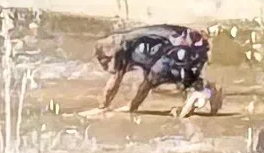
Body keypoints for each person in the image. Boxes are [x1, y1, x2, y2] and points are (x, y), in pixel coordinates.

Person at [92, 23, 220, 117]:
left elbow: (115, 80)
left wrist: (102, 107)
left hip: (181, 45)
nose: (106, 66)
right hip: (193, 42)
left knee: (153, 79)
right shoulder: (135, 44)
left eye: (105, 61)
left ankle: (201, 93)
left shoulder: (122, 46)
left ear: (109, 52)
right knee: (170, 80)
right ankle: (208, 90)